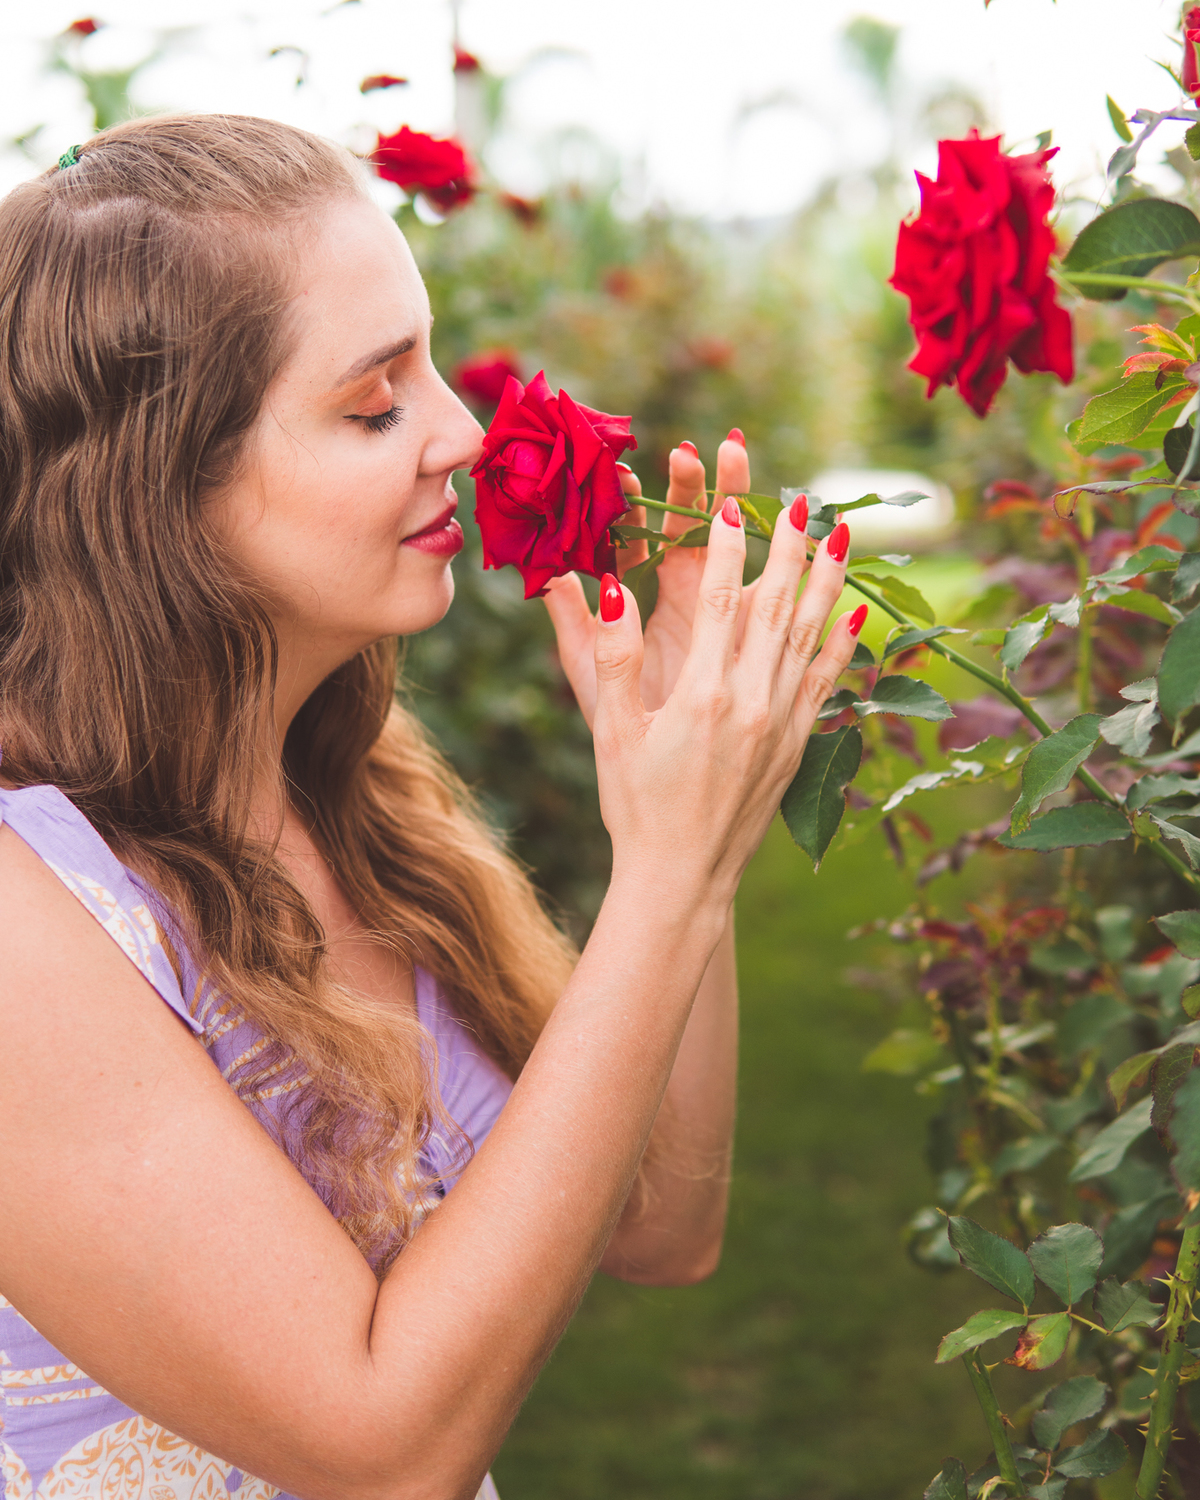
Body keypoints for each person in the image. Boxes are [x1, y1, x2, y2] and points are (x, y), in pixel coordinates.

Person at [0, 115, 862, 1500]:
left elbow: (657, 1221)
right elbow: (386, 1447)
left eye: (432, 364)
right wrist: (665, 878)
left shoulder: (357, 795)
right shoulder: (25, 918)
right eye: (372, 402)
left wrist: (692, 831)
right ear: (156, 491)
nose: (461, 432)